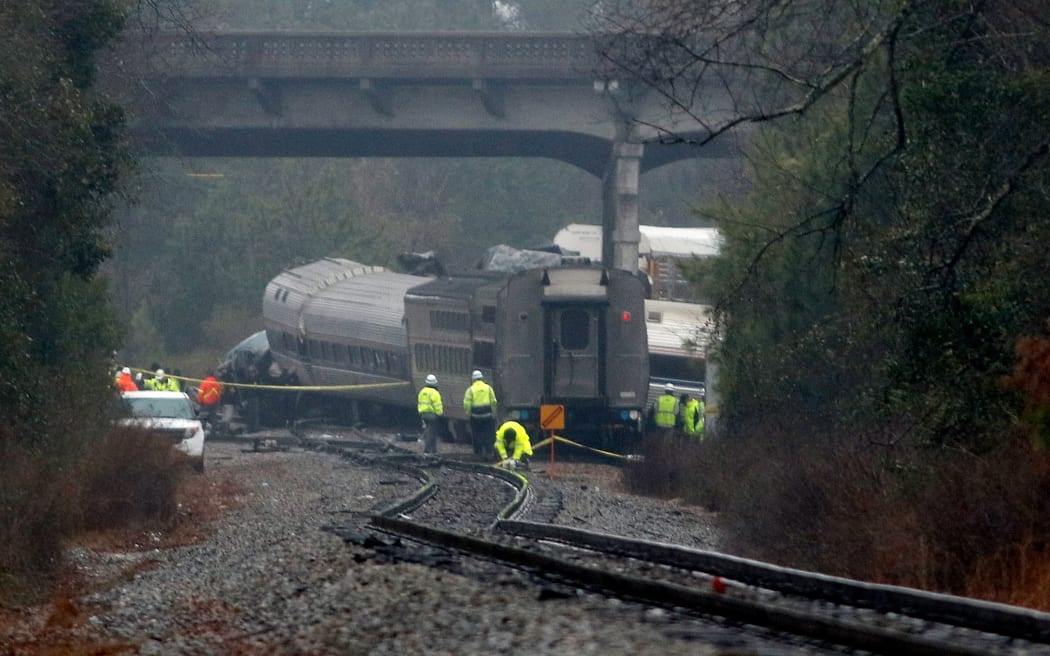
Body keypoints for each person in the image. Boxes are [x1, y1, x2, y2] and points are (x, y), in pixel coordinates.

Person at [463, 370, 497, 456]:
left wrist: (468, 413)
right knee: (488, 433)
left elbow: (467, 403)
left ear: (473, 379)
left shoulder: (470, 390)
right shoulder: (488, 388)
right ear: (482, 378)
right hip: (487, 415)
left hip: (475, 416)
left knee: (476, 434)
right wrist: (493, 412)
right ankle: (489, 450)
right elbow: (493, 401)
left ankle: (478, 452)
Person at [417, 373, 443, 455]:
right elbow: (437, 405)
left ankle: (433, 450)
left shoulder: (422, 391)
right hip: (432, 415)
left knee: (429, 431)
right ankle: (427, 451)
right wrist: (439, 413)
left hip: (423, 414)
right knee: (432, 433)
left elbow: (419, 403)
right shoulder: (434, 393)